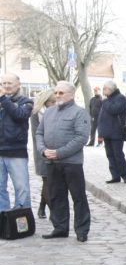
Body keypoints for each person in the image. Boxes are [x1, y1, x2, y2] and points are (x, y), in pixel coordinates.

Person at [36, 81, 90, 242]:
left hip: (71, 163)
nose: (57, 95)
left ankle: (81, 230)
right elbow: (39, 134)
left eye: (61, 93)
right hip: (51, 163)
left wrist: (59, 153)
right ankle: (60, 227)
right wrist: (43, 150)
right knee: (56, 196)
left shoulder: (79, 113)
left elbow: (81, 138)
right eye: (56, 92)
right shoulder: (49, 112)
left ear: (71, 94)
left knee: (78, 197)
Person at [0, 73, 34, 213]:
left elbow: (19, 115)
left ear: (18, 84)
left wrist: (3, 100)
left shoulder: (25, 101)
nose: (6, 86)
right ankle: (3, 218)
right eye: (4, 83)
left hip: (16, 151)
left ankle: (23, 218)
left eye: (10, 83)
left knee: (21, 187)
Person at [29, 90, 55, 219]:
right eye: (52, 102)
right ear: (45, 102)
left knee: (50, 182)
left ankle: (41, 207)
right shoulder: (37, 113)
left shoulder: (55, 112)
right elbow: (37, 135)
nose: (54, 104)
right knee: (47, 181)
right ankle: (54, 214)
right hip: (42, 152)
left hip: (55, 152)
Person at [98, 80, 126, 184]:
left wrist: (104, 101)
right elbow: (101, 118)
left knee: (118, 155)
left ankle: (125, 176)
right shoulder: (107, 100)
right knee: (110, 155)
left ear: (111, 89)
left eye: (105, 88)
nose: (103, 90)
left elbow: (114, 110)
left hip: (116, 132)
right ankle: (115, 176)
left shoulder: (120, 98)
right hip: (107, 133)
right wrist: (100, 133)